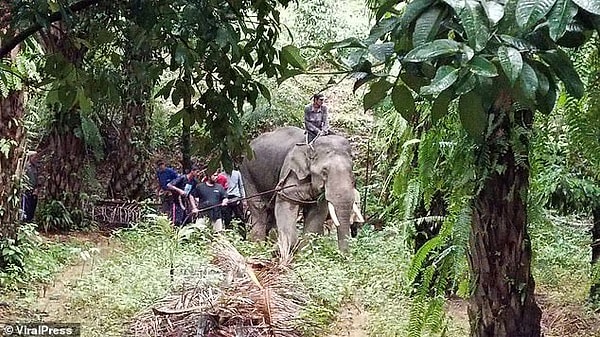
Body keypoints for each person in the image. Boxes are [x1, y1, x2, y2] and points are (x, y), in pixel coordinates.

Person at [222, 167, 246, 236]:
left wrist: (243, 199)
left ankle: (243, 235)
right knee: (227, 219)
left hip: (236, 197)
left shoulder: (237, 173)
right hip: (226, 198)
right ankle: (228, 235)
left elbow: (241, 186)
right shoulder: (222, 175)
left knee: (240, 218)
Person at [22, 151, 39, 223]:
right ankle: (25, 221)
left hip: (34, 189)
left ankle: (30, 220)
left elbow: (36, 178)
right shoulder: (25, 167)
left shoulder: (35, 167)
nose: (36, 159)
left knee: (33, 206)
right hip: (27, 190)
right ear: (30, 157)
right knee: (26, 207)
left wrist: (37, 188)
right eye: (34, 157)